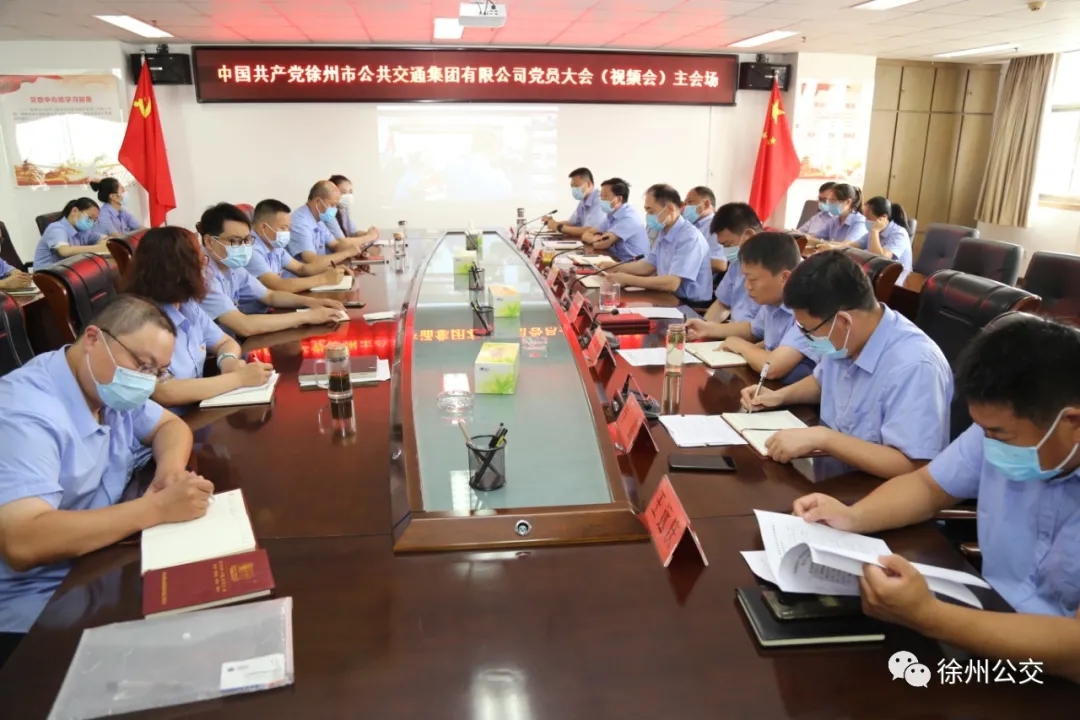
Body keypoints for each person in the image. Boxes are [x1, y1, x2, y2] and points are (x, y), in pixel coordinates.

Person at [791, 315, 1080, 683]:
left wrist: (928, 616)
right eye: (984, 431)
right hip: (985, 619)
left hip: (1052, 672)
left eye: (1001, 436)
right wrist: (852, 517)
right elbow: (927, 487)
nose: (989, 443)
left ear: (1073, 422)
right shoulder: (997, 432)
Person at [0, 295, 213, 667]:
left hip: (103, 563)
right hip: (44, 608)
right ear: (93, 338)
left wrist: (169, 472)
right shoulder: (25, 413)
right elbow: (23, 540)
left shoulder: (103, 383)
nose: (146, 382)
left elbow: (170, 426)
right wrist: (156, 508)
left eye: (158, 372)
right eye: (142, 365)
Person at [740, 251, 952, 479]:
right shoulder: (846, 338)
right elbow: (822, 382)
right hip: (829, 472)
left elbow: (913, 467)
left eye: (809, 330)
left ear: (844, 321)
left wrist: (825, 439)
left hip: (869, 487)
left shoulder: (915, 365)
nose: (807, 338)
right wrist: (780, 396)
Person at [123, 226, 274, 410]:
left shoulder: (187, 305)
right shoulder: (140, 320)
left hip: (201, 409)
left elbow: (224, 342)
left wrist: (228, 361)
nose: (205, 267)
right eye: (200, 261)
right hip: (172, 419)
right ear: (177, 270)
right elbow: (164, 391)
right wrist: (238, 379)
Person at [196, 203, 345, 338]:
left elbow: (269, 296)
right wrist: (309, 316)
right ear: (209, 241)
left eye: (246, 240)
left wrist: (313, 302)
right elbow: (244, 325)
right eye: (234, 241)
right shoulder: (202, 275)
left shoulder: (232, 267)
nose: (243, 247)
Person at [688, 232, 817, 384]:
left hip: (794, 393)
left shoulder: (809, 309)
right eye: (746, 278)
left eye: (753, 279)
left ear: (785, 277)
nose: (747, 286)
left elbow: (772, 367)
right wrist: (708, 328)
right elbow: (753, 329)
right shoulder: (773, 300)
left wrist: (739, 345)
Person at [600, 184, 712, 304]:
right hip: (667, 296)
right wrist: (615, 267)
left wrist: (627, 279)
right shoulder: (664, 230)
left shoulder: (690, 238)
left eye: (651, 211)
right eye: (647, 211)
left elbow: (672, 283)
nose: (648, 216)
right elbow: (648, 266)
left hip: (688, 304)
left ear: (669, 209)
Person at [247, 199, 357, 297]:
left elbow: (301, 268)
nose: (287, 232)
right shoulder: (252, 250)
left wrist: (332, 270)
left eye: (288, 228)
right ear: (264, 227)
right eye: (283, 228)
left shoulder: (272, 243)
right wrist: (324, 278)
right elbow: (279, 285)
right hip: (257, 310)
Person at [693, 202, 763, 330]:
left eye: (728, 245)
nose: (726, 251)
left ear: (748, 235)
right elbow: (722, 304)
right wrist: (703, 328)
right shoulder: (737, 263)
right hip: (730, 333)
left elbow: (758, 330)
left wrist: (711, 331)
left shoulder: (774, 269)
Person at [287, 181, 370, 264]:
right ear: (318, 201)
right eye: (332, 205)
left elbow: (335, 245)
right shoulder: (300, 223)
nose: (334, 209)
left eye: (336, 205)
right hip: (307, 272)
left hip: (322, 270)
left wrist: (356, 250)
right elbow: (312, 261)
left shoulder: (318, 219)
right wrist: (347, 253)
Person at [580, 177, 649, 262]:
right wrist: (595, 239)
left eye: (605, 196)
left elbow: (601, 244)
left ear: (619, 199)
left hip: (633, 264)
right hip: (617, 259)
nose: (602, 200)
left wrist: (595, 239)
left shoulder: (629, 219)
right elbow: (587, 233)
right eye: (601, 196)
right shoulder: (612, 214)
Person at [32, 198, 111, 269]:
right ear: (74, 211)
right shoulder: (56, 228)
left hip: (67, 271)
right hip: (47, 275)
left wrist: (107, 242)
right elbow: (65, 251)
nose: (91, 223)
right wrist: (99, 248)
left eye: (94, 220)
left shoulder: (83, 230)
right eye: (90, 218)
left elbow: (104, 238)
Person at [860, 196, 913, 284]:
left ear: (883, 218)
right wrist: (836, 246)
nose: (865, 221)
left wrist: (875, 231)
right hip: (877, 275)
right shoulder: (875, 230)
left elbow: (881, 258)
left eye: (868, 218)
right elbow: (855, 245)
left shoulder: (899, 233)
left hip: (896, 282)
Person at [544, 168, 604, 238]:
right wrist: (554, 223)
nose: (573, 190)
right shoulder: (583, 200)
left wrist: (559, 227)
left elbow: (590, 231)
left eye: (576, 186)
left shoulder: (600, 201)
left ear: (589, 184)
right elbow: (572, 223)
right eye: (572, 187)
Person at [805, 183, 867, 250]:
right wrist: (804, 237)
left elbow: (847, 246)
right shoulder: (834, 220)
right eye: (829, 201)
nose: (829, 204)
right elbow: (815, 238)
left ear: (848, 202)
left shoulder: (860, 222)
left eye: (833, 201)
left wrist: (823, 243)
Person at [325, 175, 378, 243]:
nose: (348, 196)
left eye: (350, 192)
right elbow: (343, 242)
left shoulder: (343, 211)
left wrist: (369, 233)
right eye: (343, 192)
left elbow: (354, 233)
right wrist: (370, 237)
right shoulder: (328, 213)